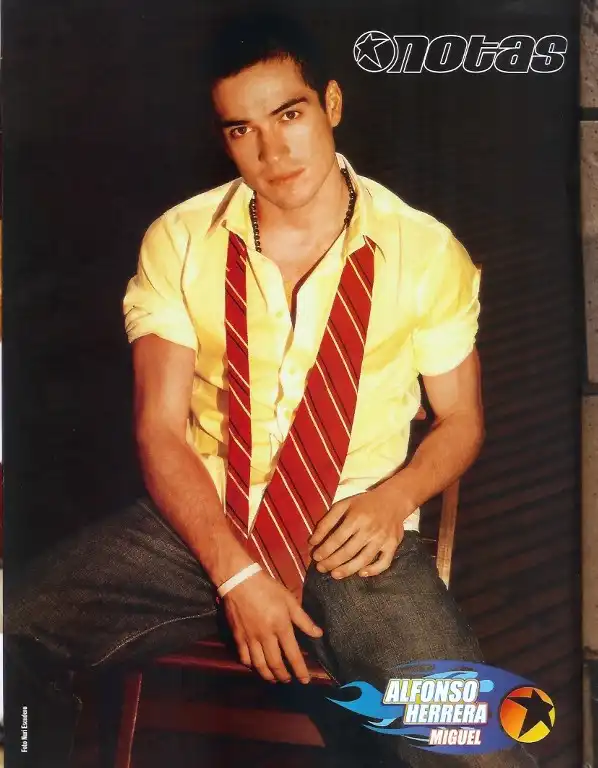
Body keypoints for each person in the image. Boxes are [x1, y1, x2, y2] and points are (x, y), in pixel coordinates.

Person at [5, 9, 538, 768]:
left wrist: (394, 499)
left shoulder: (423, 250)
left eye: (289, 115)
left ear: (331, 104)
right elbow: (159, 430)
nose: (272, 151)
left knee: (478, 749)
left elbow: (460, 421)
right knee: (12, 633)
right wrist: (237, 574)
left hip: (355, 534)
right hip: (201, 523)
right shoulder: (180, 241)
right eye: (241, 130)